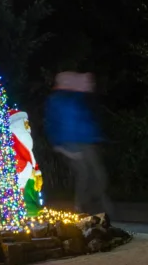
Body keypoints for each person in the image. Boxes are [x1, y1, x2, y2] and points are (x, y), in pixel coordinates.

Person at [45, 72, 112, 217]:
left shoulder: (77, 98)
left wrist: (97, 135)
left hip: (87, 141)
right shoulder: (56, 100)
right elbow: (52, 124)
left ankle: (97, 203)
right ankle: (81, 205)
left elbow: (86, 118)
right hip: (69, 144)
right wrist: (59, 146)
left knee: (98, 175)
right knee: (84, 173)